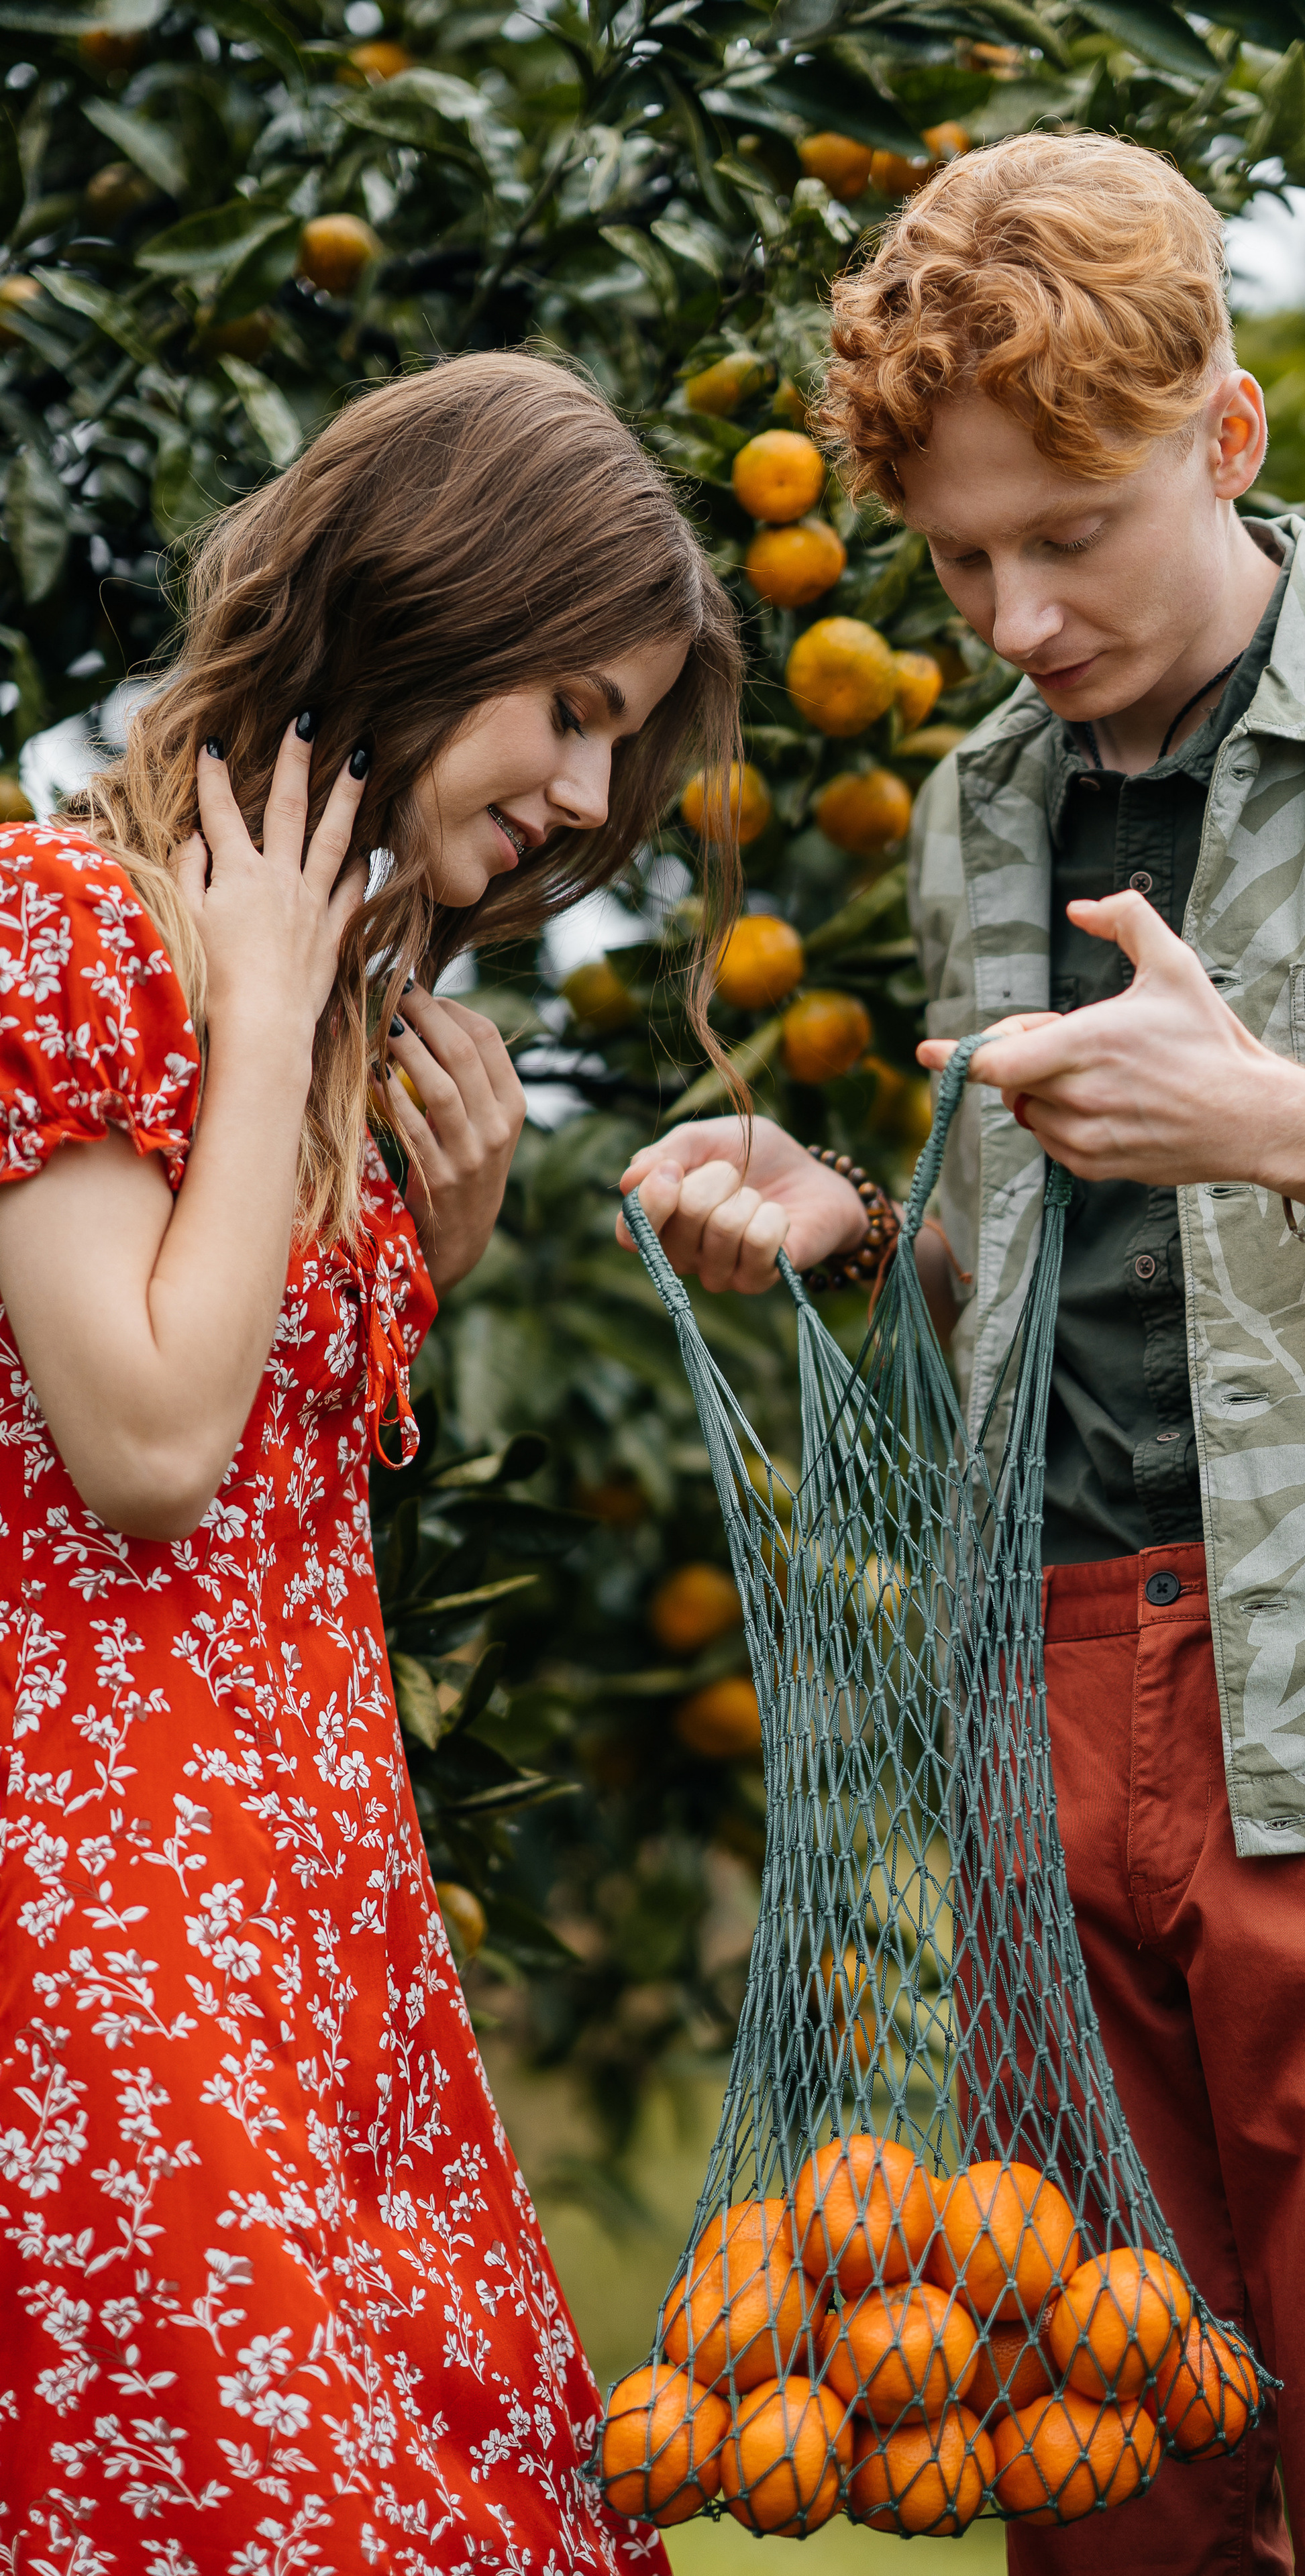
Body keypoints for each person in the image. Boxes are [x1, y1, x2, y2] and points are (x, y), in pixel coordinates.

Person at [617, 132, 1305, 2575]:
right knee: (1104, 2516)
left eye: (1070, 532)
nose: (1011, 615)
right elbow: (1019, 1316)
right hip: (1047, 1734)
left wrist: (1301, 1126)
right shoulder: (981, 806)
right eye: (957, 556)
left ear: (1225, 434)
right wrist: (842, 1240)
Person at [0, 350, 742, 2569]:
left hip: (319, 1941)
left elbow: (271, 1525)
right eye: (573, 709)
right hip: (107, 1938)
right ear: (431, 606)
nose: (589, 794)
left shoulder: (322, 1034)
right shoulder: (63, 927)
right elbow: (142, 1445)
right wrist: (247, 1025)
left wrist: (438, 1242)